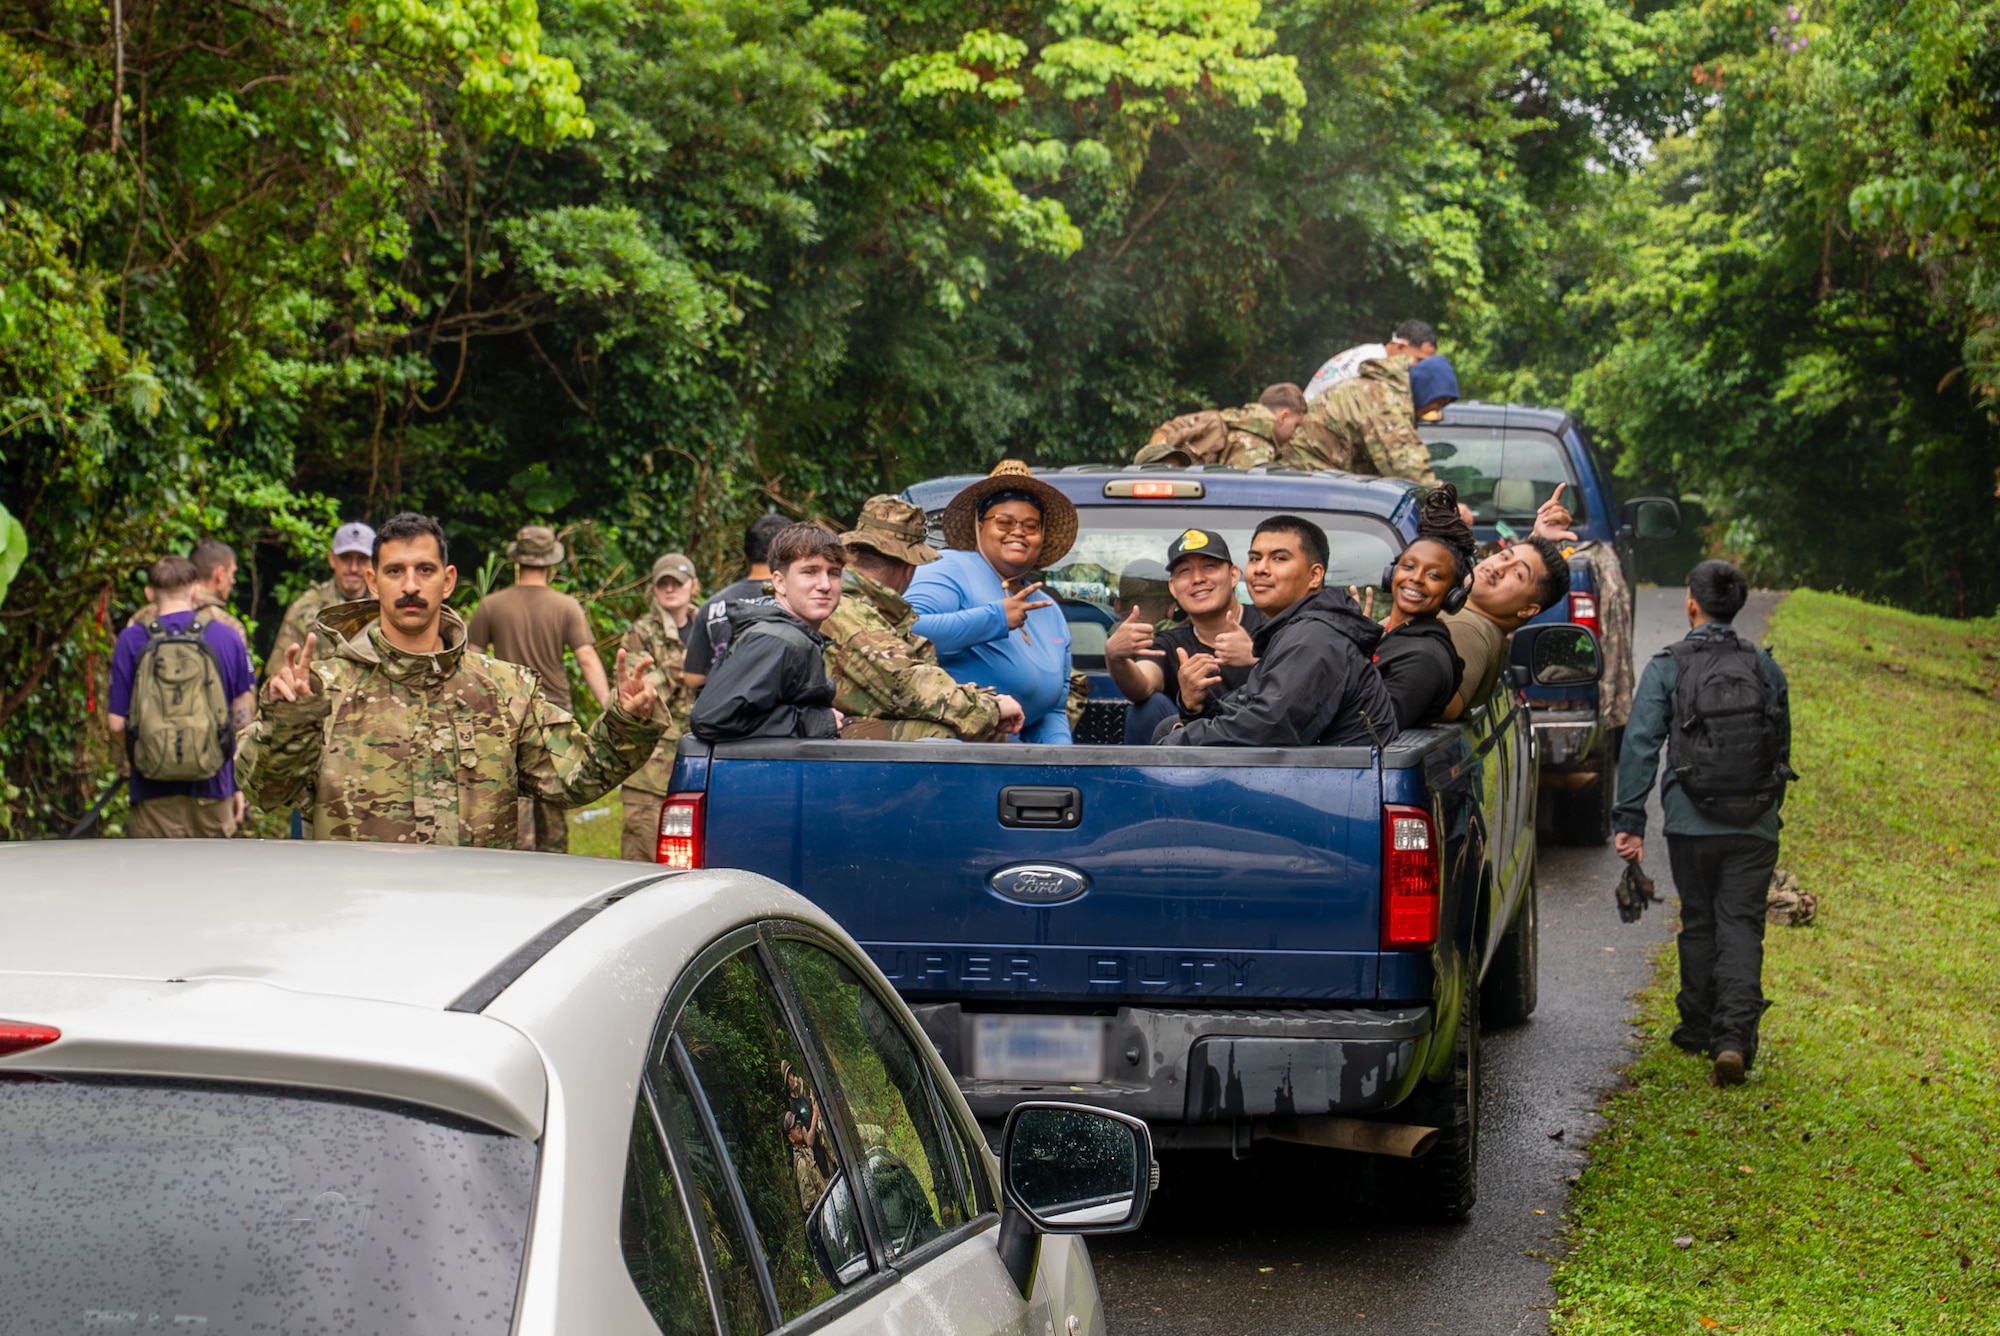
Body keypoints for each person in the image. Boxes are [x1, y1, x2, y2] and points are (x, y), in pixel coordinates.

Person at [237, 512, 662, 847]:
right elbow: (265, 790)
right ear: (372, 582)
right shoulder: (325, 690)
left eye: (425, 570)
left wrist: (626, 721)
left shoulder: (505, 691)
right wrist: (288, 721)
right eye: (394, 571)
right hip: (357, 925)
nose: (410, 585)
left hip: (474, 927)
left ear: (448, 581)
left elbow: (577, 777)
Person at [1614, 560, 1793, 1088]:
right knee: (1741, 923)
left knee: (1699, 919)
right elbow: (1781, 745)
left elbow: (1641, 744)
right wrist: (1767, 808)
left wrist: (1630, 820)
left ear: (1691, 602)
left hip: (1691, 821)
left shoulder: (1669, 665)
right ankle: (1733, 1039)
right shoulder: (1764, 665)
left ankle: (1696, 1026)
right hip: (1755, 823)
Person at [1156, 516, 1397, 748]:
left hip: (1337, 783)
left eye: (1279, 559)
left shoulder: (1316, 637)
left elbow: (1268, 729)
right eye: (1255, 558)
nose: (1261, 569)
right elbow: (1247, 709)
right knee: (1169, 726)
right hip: (1306, 774)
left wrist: (1180, 741)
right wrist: (1197, 705)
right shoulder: (1292, 631)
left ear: (1314, 575)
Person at [821, 496, 1024, 741]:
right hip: (827, 732)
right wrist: (991, 708)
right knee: (943, 736)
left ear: (854, 551)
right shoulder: (847, 610)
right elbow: (908, 686)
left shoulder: (864, 605)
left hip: (845, 724)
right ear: (909, 567)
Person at [906, 460, 1079, 744]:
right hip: (956, 754)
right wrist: (995, 619)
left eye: (1031, 525)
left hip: (1014, 762)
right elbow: (907, 633)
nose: (1018, 531)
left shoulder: (1049, 608)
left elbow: (1052, 709)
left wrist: (1059, 763)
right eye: (1004, 522)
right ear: (978, 525)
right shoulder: (949, 567)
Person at [466, 524, 612, 854]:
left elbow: (471, 662)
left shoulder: (491, 605)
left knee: (510, 806)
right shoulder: (566, 606)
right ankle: (554, 876)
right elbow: (587, 658)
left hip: (505, 717)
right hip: (553, 716)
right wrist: (608, 706)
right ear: (550, 563)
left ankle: (516, 876)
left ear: (518, 560)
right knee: (554, 808)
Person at [108, 554, 259, 838]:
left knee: (154, 881)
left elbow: (116, 724)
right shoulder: (227, 636)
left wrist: (143, 751)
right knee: (210, 880)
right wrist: (236, 784)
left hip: (151, 794)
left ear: (149, 593)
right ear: (194, 591)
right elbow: (242, 721)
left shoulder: (130, 639)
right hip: (214, 793)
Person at [688, 523, 845, 742]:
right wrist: (812, 722)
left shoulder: (791, 634)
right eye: (810, 572)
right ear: (779, 583)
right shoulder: (776, 640)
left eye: (834, 573)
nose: (825, 585)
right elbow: (710, 718)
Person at [1104, 528, 1265, 717]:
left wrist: (1256, 658)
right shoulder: (1169, 643)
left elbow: (1302, 682)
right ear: (1172, 587)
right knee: (1147, 707)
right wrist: (1114, 657)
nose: (1197, 579)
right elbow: (1142, 686)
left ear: (1233, 575)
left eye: (1209, 566)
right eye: (1185, 571)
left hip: (1266, 741)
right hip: (1191, 742)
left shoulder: (1271, 625)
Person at [616, 552, 700, 862]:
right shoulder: (641, 632)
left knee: (696, 861)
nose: (669, 589)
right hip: (650, 763)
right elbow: (640, 691)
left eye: (676, 582)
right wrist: (682, 666)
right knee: (642, 855)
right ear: (654, 589)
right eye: (662, 583)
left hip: (701, 756)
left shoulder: (711, 626)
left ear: (693, 585)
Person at [1373, 486, 1473, 729]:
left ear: (1452, 595)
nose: (1416, 578)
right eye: (1408, 567)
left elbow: (1375, 727)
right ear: (1392, 574)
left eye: (1434, 575)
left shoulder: (1424, 658)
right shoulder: (1388, 635)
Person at [1442, 532, 1572, 719]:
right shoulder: (1466, 618)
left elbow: (1442, 710)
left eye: (1517, 574)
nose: (1498, 567)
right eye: (1504, 556)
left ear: (1527, 610)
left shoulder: (1468, 630)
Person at [1288, 354, 1439, 484]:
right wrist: (1442, 501)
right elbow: (1404, 464)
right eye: (1440, 401)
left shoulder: (1380, 388)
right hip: (1308, 474)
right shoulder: (1381, 397)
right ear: (1428, 391)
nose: (1437, 409)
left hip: (1316, 474)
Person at [683, 513, 793, 688]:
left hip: (720, 708)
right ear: (790, 551)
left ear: (747, 551)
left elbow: (692, 678)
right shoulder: (796, 600)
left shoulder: (712, 605)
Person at [268, 521, 375, 668]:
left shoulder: (384, 607)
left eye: (362, 559)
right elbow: (280, 668)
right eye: (345, 558)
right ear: (332, 559)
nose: (353, 568)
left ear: (373, 563)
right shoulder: (306, 608)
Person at [1134, 384, 1308, 468]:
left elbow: (1166, 430)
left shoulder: (1222, 419)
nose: (1294, 434)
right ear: (1283, 417)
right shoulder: (1256, 447)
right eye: (1296, 425)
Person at [127, 538, 246, 640]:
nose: (233, 581)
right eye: (232, 573)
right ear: (220, 574)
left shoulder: (142, 617)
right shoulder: (229, 626)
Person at [1303, 319, 1439, 402]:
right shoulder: (1373, 365)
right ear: (1400, 347)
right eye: (1419, 360)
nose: (1421, 368)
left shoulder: (1370, 352)